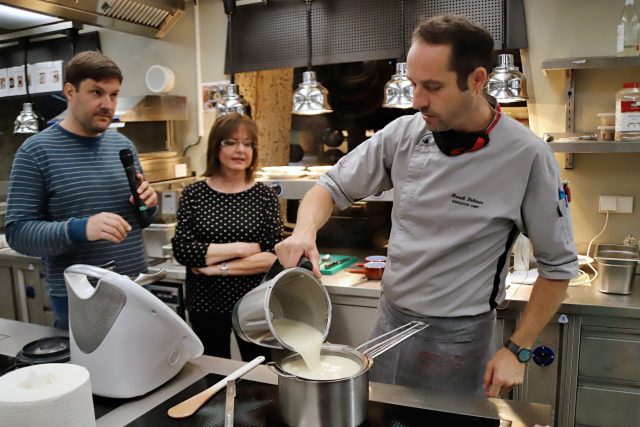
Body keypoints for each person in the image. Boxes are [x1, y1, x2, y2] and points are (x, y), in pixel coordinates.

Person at [275, 15, 578, 398]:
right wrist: (304, 232)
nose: (417, 101)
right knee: (380, 416)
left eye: (432, 87)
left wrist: (518, 349)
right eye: (414, 84)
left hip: (458, 340)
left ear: (478, 80)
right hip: (390, 321)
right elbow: (330, 186)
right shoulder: (405, 133)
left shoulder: (527, 157)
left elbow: (558, 267)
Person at [5, 51, 158, 330]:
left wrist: (148, 204)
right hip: (81, 297)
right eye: (96, 92)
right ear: (70, 92)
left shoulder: (122, 145)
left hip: (135, 288)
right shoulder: (36, 152)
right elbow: (18, 233)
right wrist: (80, 229)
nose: (107, 104)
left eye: (113, 95)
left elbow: (142, 220)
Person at [171, 113, 283, 360]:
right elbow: (184, 250)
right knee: (213, 369)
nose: (240, 150)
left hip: (255, 302)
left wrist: (216, 268)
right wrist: (243, 248)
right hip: (205, 303)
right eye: (230, 142)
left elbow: (274, 258)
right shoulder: (194, 193)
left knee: (260, 370)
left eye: (247, 143)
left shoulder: (265, 196)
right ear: (216, 146)